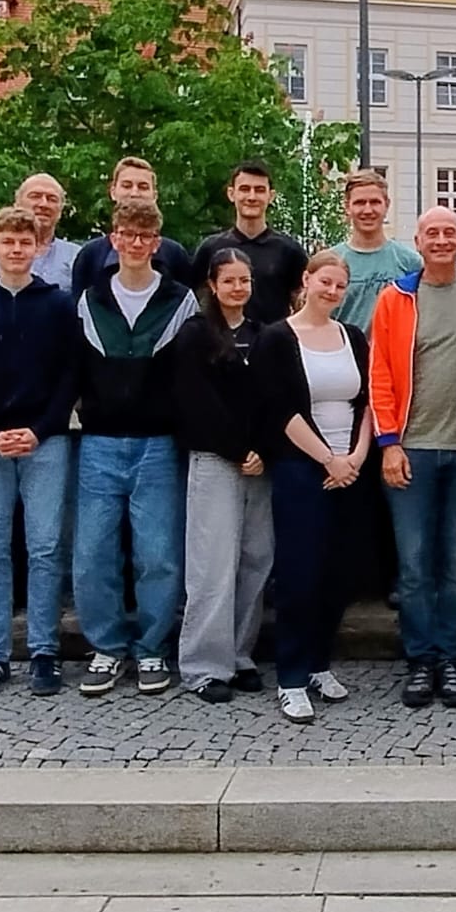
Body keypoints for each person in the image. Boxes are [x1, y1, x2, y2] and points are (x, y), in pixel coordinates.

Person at [368, 206, 456, 710]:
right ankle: (420, 659)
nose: (443, 240)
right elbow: (380, 372)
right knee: (414, 564)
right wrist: (388, 443)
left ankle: (452, 657)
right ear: (418, 240)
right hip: (413, 449)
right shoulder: (397, 298)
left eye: (450, 232)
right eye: (433, 233)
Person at [0, 206, 78, 702]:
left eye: (26, 243)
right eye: (8, 242)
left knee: (45, 550)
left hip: (44, 442)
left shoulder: (58, 305)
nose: (17, 250)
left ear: (38, 248)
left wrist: (42, 429)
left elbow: (70, 375)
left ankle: (44, 651)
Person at [72, 197, 196, 698]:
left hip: (158, 444)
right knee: (92, 553)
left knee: (159, 554)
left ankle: (150, 649)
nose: (137, 244)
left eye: (147, 237)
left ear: (157, 243)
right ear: (113, 238)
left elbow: (188, 377)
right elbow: (75, 371)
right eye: (128, 235)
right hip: (100, 442)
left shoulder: (179, 300)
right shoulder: (89, 300)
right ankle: (106, 647)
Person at [256, 249, 371, 724]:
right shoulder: (277, 338)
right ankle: (291, 676)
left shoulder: (353, 337)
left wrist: (357, 457)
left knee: (338, 574)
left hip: (351, 467)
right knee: (299, 576)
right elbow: (280, 410)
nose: (332, 291)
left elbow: (367, 401)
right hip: (304, 468)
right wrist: (328, 458)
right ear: (306, 281)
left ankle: (320, 663)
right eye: (325, 282)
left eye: (340, 286)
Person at [170, 248, 271, 703]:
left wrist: (263, 449)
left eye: (244, 281)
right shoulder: (194, 336)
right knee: (213, 563)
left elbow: (274, 399)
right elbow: (195, 402)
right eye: (229, 281)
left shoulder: (262, 334)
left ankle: (239, 654)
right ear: (213, 284)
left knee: (255, 559)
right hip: (215, 459)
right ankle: (204, 665)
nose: (238, 289)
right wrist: (235, 449)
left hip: (258, 463)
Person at [194, 161, 308, 326]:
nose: (252, 197)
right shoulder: (210, 248)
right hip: (219, 346)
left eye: (260, 190)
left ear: (271, 196)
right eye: (245, 189)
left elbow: (301, 302)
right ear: (231, 194)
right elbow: (195, 298)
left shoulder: (289, 250)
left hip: (272, 345)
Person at [71, 157, 194, 296]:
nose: (134, 193)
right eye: (127, 185)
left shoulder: (175, 254)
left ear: (154, 195)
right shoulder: (91, 255)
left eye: (143, 187)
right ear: (113, 192)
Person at [334, 168, 421, 331]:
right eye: (360, 203)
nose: (368, 210)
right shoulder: (332, 260)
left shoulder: (410, 261)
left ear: (386, 205)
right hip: (345, 353)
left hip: (393, 354)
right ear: (347, 207)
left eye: (374, 202)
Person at [0, 172, 81, 293]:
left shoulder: (76, 256)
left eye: (52, 199)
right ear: (18, 203)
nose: (44, 204)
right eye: (35, 196)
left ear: (61, 209)